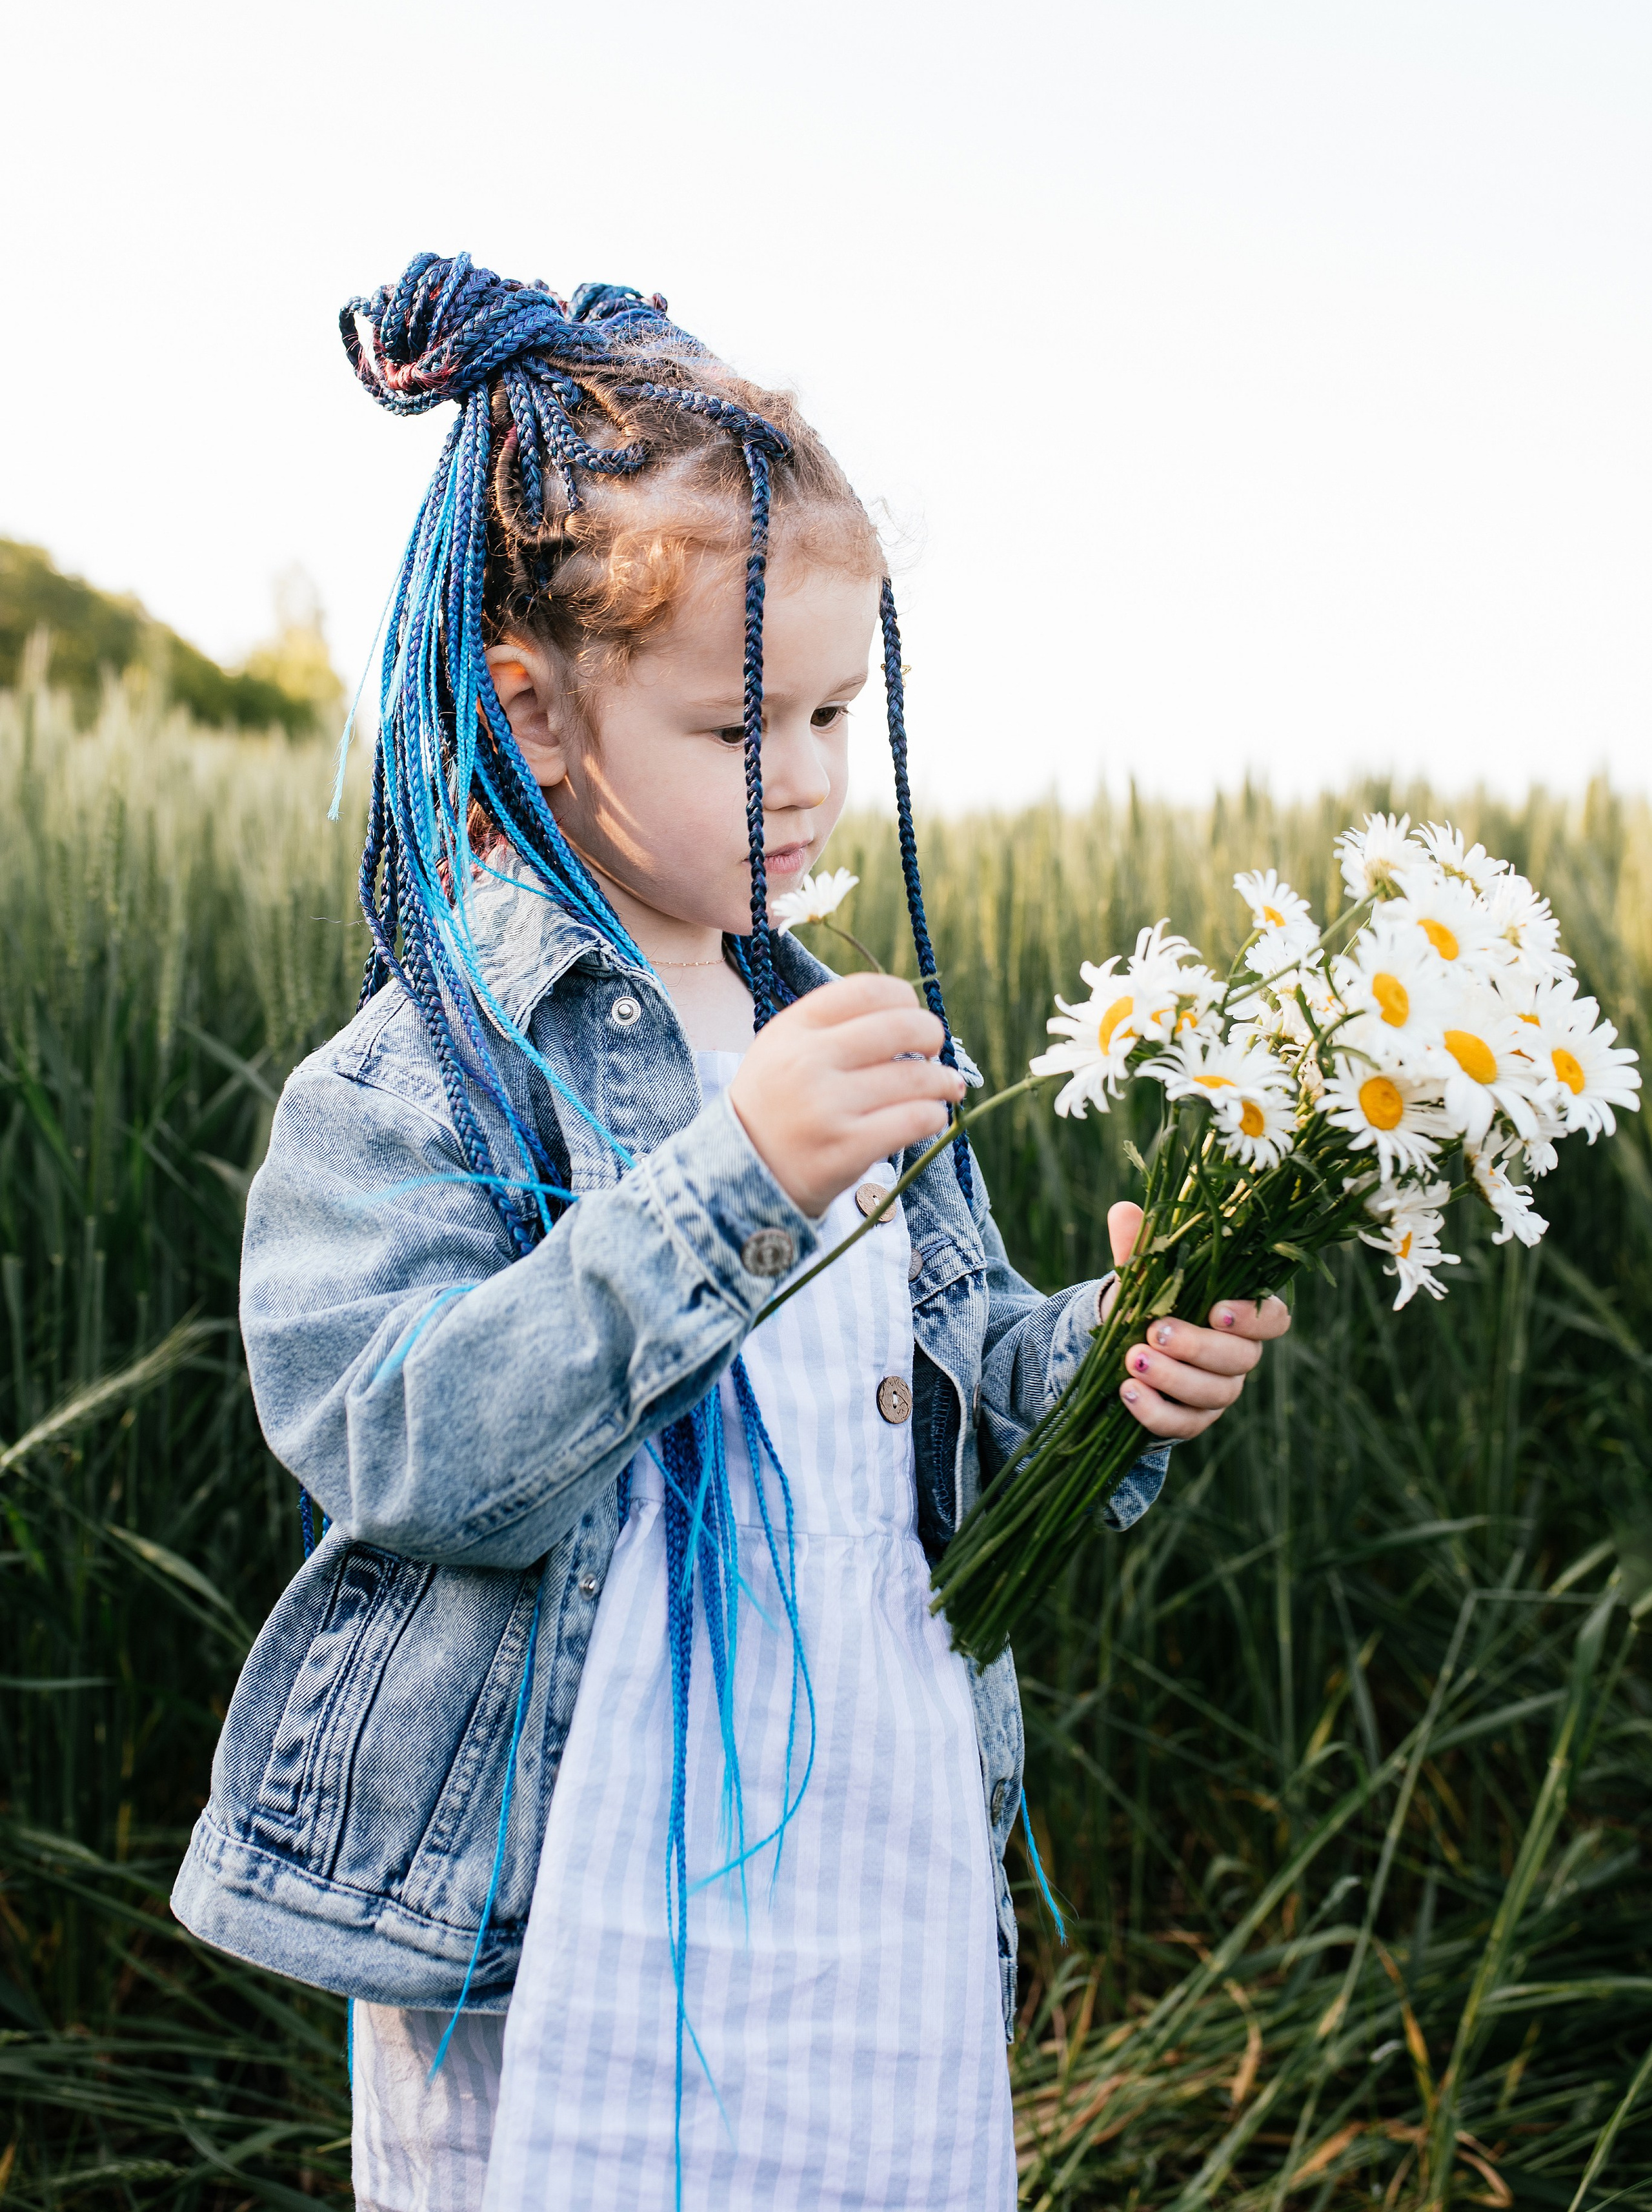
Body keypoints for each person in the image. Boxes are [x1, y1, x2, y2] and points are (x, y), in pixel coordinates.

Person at [170, 257, 1288, 2211]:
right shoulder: (424, 1077)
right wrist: (733, 1180)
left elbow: (932, 1437)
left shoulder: (848, 1035)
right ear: (533, 716)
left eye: (840, 713)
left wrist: (1107, 1366)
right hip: (567, 1894)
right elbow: (405, 1449)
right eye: (742, 727)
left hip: (870, 1850)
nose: (815, 780)